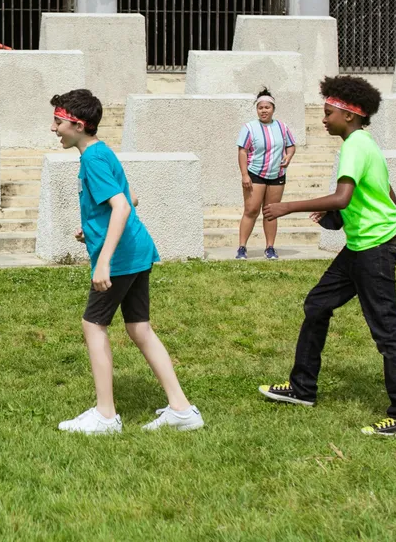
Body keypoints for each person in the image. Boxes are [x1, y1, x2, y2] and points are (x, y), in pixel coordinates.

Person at [258, 75, 396, 437]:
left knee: (386, 329)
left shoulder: (354, 146)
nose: (323, 119)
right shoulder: (365, 144)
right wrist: (337, 216)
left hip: (375, 248)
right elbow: (388, 196)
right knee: (317, 304)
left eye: (327, 113)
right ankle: (302, 388)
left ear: (348, 115)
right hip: (362, 246)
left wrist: (289, 207)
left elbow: (344, 197)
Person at [49, 89, 204, 435]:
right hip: (138, 251)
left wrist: (102, 261)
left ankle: (105, 415)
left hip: (120, 259)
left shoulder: (92, 159)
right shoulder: (102, 152)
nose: (53, 129)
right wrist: (92, 229)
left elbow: (121, 206)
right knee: (139, 328)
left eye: (58, 122)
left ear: (77, 124)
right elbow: (129, 197)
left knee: (93, 325)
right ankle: (182, 410)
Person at [236, 87, 296, 260]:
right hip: (255, 174)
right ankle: (242, 247)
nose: (264, 110)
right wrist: (244, 174)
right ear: (257, 109)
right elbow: (242, 152)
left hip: (276, 175)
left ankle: (270, 247)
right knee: (251, 210)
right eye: (260, 107)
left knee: (271, 211)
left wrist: (289, 156)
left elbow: (291, 146)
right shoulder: (249, 128)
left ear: (273, 109)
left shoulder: (282, 127)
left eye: (267, 107)